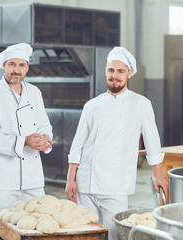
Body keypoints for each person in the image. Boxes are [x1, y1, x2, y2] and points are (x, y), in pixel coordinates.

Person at [65, 47, 168, 240]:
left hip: (116, 184)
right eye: (111, 70)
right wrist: (71, 178)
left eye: (120, 71)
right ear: (106, 72)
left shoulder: (141, 104)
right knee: (86, 234)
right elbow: (78, 145)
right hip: (86, 182)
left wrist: (158, 176)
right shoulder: (92, 105)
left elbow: (153, 143)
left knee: (114, 235)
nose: (115, 76)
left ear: (129, 74)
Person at [0, 42, 53, 240]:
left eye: (21, 65)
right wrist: (24, 142)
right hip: (3, 180)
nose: (16, 70)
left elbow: (44, 124)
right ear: (3, 66)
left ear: (27, 67)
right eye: (12, 65)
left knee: (37, 230)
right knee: (0, 232)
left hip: (33, 179)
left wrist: (45, 139)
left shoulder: (35, 93)